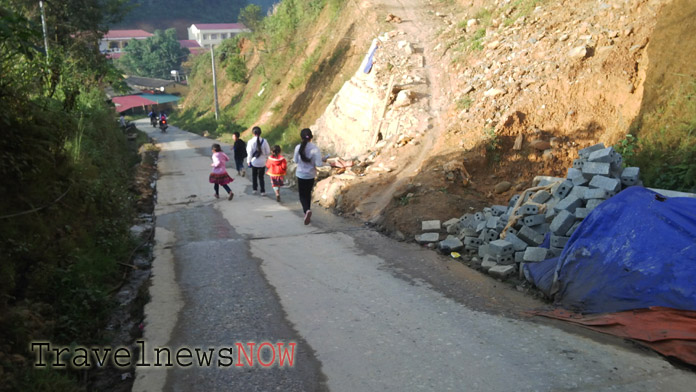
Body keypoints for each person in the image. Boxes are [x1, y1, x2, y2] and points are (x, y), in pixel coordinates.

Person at [293, 128, 329, 225]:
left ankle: (306, 211)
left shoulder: (298, 148)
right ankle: (307, 210)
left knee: (302, 195)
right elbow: (319, 164)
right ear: (311, 137)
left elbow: (295, 161)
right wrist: (323, 160)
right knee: (308, 193)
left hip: (300, 174)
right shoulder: (315, 149)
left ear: (301, 137)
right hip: (310, 175)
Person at [246, 126, 271, 196]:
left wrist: (248, 161)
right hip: (262, 162)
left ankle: (255, 189)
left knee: (254, 176)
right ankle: (262, 191)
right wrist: (264, 155)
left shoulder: (250, 142)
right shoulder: (264, 141)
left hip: (254, 162)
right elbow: (268, 151)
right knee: (261, 177)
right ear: (260, 133)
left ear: (252, 133)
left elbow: (249, 153)